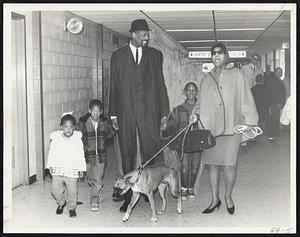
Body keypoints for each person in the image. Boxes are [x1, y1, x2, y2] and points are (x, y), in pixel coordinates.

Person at [108, 19, 170, 212]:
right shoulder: (118, 56)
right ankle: (127, 196)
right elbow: (114, 86)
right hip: (125, 111)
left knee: (150, 149)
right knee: (127, 151)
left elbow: (160, 84)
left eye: (147, 34)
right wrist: (113, 115)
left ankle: (147, 188)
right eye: (143, 34)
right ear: (133, 34)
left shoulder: (155, 55)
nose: (146, 37)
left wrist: (163, 113)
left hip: (149, 110)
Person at [192, 42, 258, 215]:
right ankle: (215, 199)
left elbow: (246, 98)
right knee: (212, 165)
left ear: (226, 55)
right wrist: (195, 114)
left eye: (220, 52)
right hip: (211, 129)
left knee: (229, 165)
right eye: (214, 53)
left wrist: (249, 123)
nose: (217, 55)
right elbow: (200, 102)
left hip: (232, 127)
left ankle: (228, 197)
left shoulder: (237, 74)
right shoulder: (206, 78)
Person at [161, 82, 201, 200]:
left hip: (198, 142)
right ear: (184, 92)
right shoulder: (178, 109)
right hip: (183, 142)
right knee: (184, 166)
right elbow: (170, 126)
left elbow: (208, 123)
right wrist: (165, 127)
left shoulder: (202, 108)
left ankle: (190, 188)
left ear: (197, 92)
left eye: (194, 90)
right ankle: (183, 188)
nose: (191, 93)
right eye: (189, 90)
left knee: (195, 167)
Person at [79, 99, 116, 212]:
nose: (95, 114)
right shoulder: (83, 125)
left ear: (101, 112)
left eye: (97, 111)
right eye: (93, 111)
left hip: (101, 157)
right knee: (90, 179)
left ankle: (94, 201)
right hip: (88, 157)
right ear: (89, 111)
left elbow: (110, 133)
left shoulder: (104, 124)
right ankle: (98, 188)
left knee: (97, 181)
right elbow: (78, 137)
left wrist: (113, 130)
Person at [46, 113, 86, 218]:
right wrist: (49, 165)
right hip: (57, 170)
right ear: (61, 127)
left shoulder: (77, 140)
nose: (68, 129)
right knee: (55, 190)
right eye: (65, 127)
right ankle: (61, 202)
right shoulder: (56, 139)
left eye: (71, 127)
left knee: (72, 191)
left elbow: (80, 155)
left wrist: (81, 168)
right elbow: (51, 152)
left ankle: (72, 208)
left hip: (72, 170)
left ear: (74, 128)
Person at [266, 67, 286, 140]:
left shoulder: (278, 80)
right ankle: (273, 133)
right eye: (278, 72)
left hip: (277, 103)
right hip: (276, 103)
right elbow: (274, 93)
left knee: (276, 117)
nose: (280, 73)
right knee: (274, 118)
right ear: (275, 73)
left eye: (281, 72)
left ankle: (275, 132)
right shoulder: (275, 81)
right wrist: (279, 102)